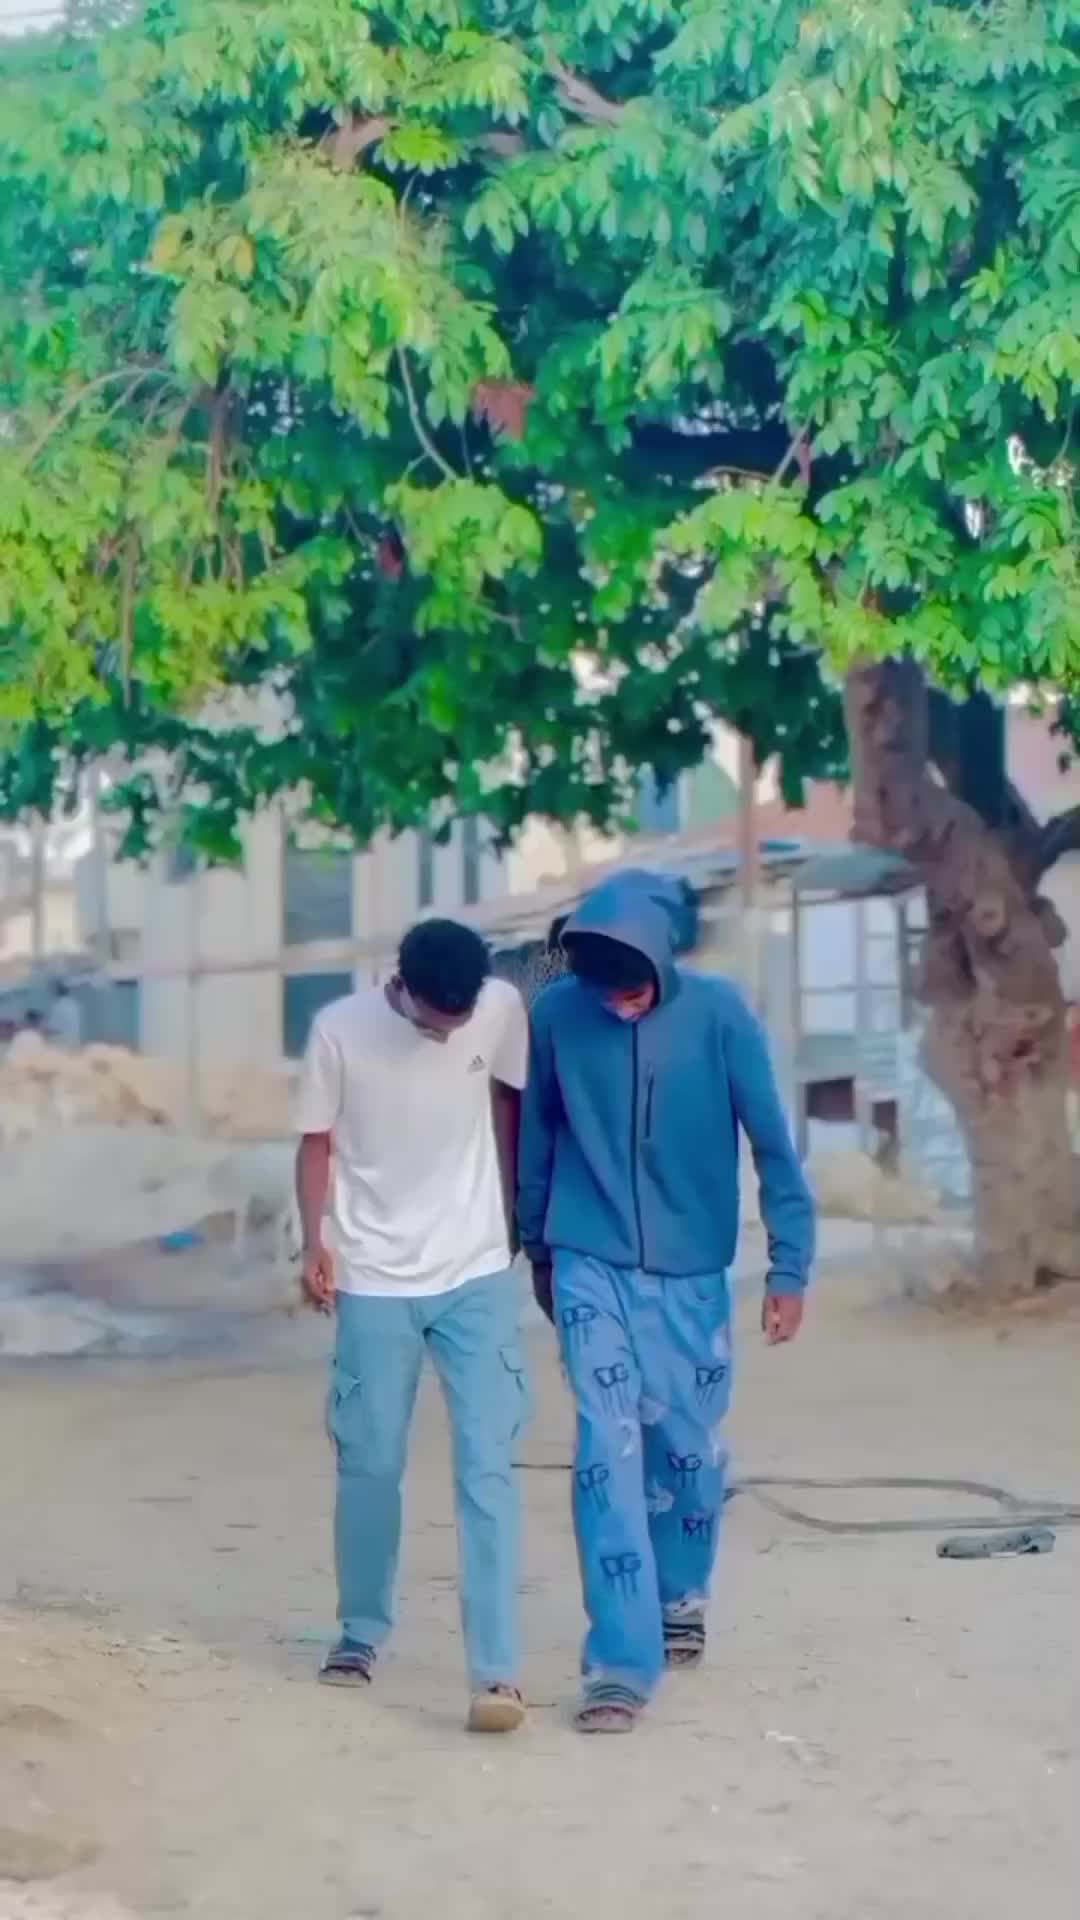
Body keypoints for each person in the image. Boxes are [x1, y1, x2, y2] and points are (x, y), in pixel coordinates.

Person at [518, 870, 814, 1733]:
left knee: (687, 1451)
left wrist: (789, 1267)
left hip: (692, 1272)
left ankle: (681, 1594)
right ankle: (619, 1662)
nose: (619, 1006)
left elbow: (772, 1145)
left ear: (662, 961)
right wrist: (538, 1245)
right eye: (604, 991)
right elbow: (537, 1135)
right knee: (604, 1447)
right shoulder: (556, 1016)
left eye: (634, 989)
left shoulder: (720, 1015)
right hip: (589, 1257)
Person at [294, 917, 530, 1733]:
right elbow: (316, 1143)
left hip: (476, 1273)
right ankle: (360, 1632)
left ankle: (497, 1673)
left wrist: (512, 1217)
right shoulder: (339, 1031)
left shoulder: (498, 1008)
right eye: (436, 1020)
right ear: (401, 988)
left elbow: (508, 1105)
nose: (451, 1030)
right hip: (373, 1277)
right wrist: (313, 1242)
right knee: (370, 1463)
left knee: (488, 1469)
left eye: (462, 1017)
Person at [45, 980, 81, 1050]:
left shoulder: (57, 1006)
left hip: (62, 1044)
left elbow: (53, 1029)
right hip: (74, 1042)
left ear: (56, 991)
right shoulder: (74, 1005)